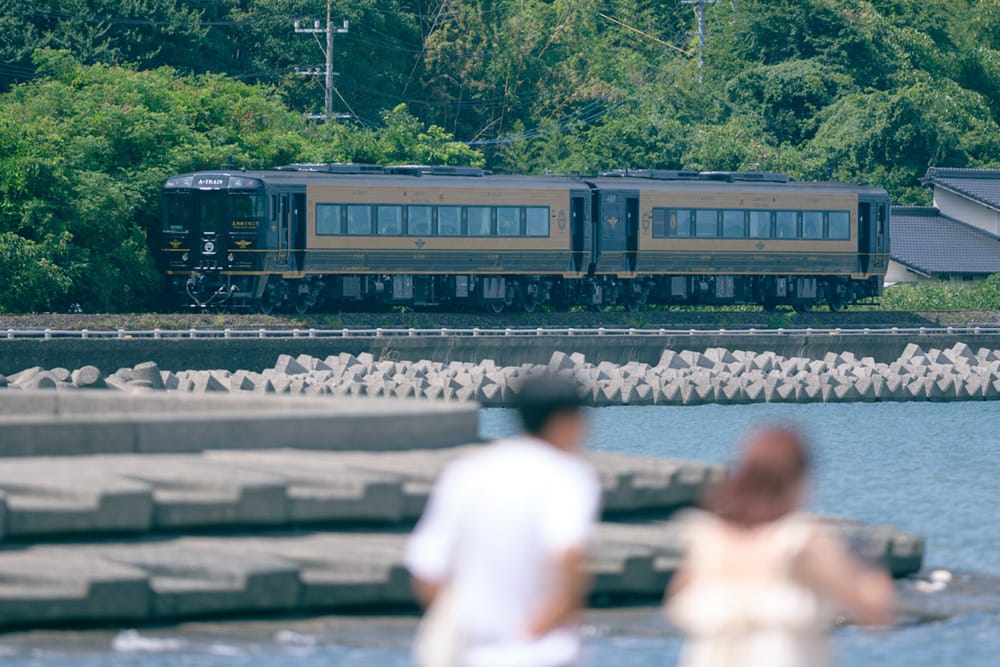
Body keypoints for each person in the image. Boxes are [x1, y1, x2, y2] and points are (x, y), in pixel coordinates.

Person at [405, 373, 601, 667]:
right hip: (541, 652)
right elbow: (568, 555)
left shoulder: (466, 472)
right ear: (565, 420)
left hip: (474, 654)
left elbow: (426, 569)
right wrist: (542, 625)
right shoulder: (568, 476)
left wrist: (468, 628)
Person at [664, 426, 894, 667]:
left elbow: (674, 602)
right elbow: (873, 611)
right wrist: (873, 571)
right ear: (797, 479)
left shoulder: (709, 538)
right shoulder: (800, 540)